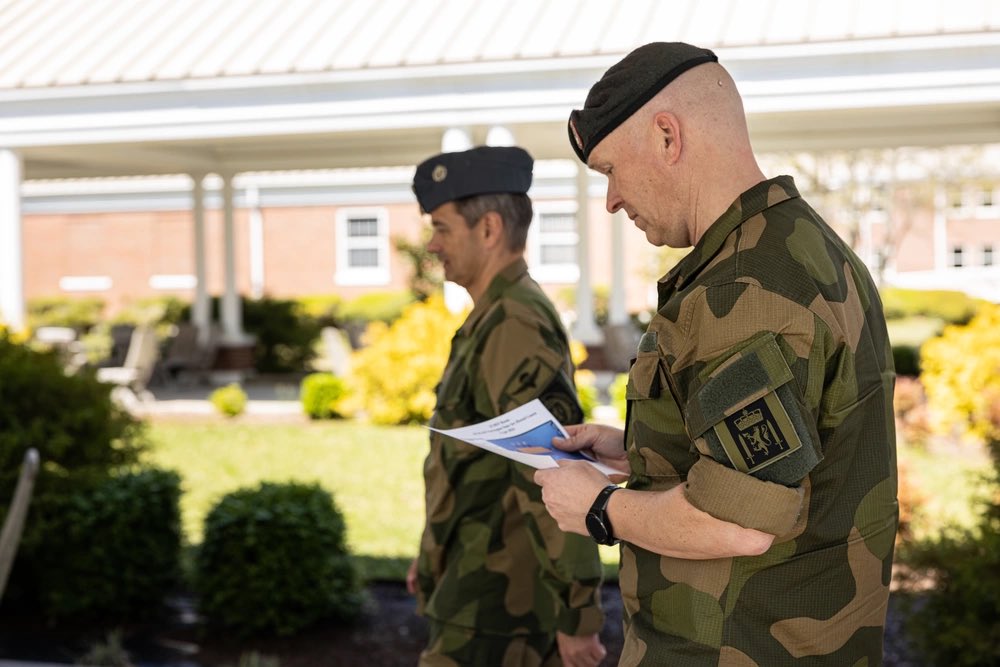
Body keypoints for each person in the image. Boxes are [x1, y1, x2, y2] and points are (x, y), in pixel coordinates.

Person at [534, 42, 898, 666]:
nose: (612, 201)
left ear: (667, 137)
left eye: (611, 170)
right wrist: (636, 449)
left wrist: (598, 508)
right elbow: (789, 451)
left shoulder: (744, 287)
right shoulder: (798, 244)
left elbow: (738, 522)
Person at [408, 145, 607, 667]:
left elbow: (551, 467)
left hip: (500, 610)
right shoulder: (496, 314)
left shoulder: (514, 323)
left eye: (443, 228)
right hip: (478, 588)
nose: (432, 245)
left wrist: (578, 615)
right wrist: (434, 552)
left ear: (489, 229)